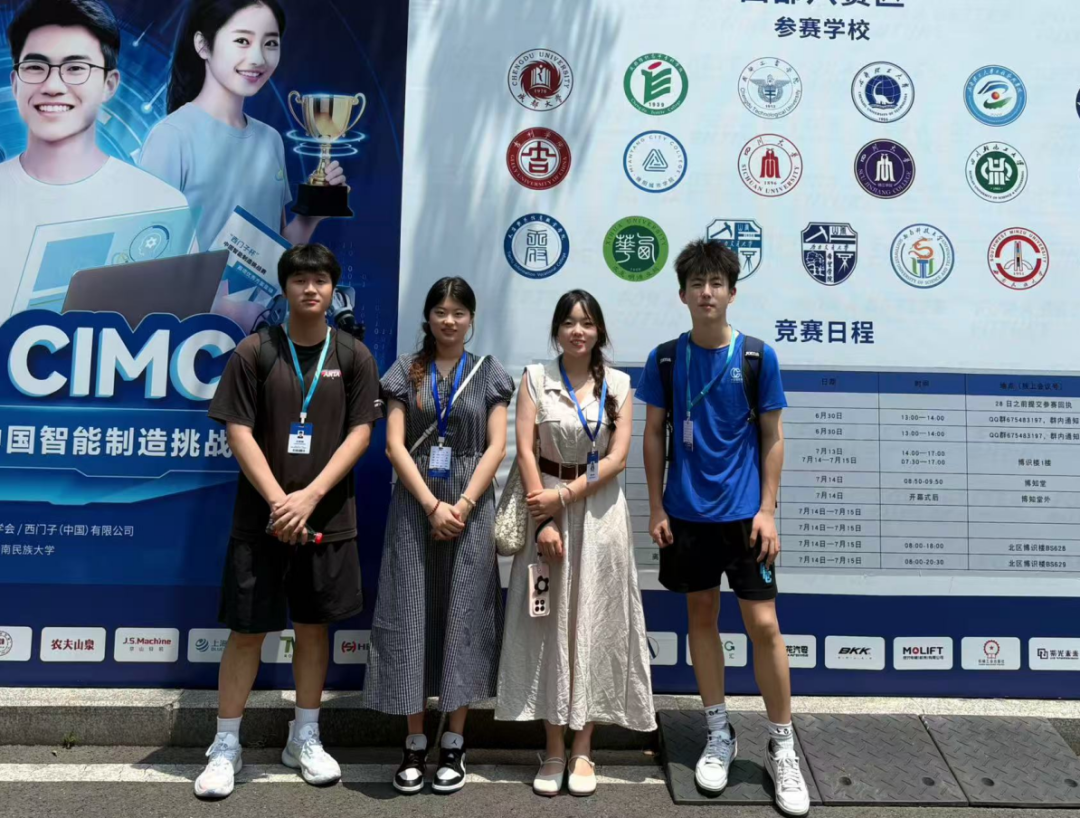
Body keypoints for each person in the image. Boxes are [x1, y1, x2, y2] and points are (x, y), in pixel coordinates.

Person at [198, 243, 383, 799]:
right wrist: (283, 501)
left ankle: (304, 736)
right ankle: (225, 745)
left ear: (333, 289)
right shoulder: (254, 351)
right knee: (246, 633)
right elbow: (238, 431)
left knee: (313, 628)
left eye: (320, 280)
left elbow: (361, 434)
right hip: (262, 519)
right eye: (300, 279)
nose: (310, 289)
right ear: (284, 288)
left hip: (326, 517)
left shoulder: (354, 356)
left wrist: (310, 497)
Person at [636, 239, 810, 817]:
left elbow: (773, 437)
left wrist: (768, 510)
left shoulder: (757, 356)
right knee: (701, 618)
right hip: (686, 515)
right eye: (697, 284)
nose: (706, 292)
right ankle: (719, 733)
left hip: (745, 518)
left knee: (764, 625)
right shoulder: (666, 359)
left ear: (732, 292)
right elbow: (653, 434)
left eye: (716, 283)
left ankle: (782, 745)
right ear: (682, 294)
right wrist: (657, 508)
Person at [496, 290, 655, 798]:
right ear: (557, 330)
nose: (577, 331)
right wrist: (544, 516)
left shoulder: (619, 384)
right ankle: (553, 748)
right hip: (543, 508)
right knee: (546, 626)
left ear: (599, 331)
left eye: (586, 323)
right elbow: (524, 450)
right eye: (568, 322)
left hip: (600, 516)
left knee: (593, 623)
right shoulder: (534, 378)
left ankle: (583, 747)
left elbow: (618, 458)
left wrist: (564, 496)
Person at [364, 277, 513, 795]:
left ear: (471, 319)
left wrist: (464, 505)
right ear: (428, 317)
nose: (450, 321)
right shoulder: (405, 370)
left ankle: (453, 740)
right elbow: (394, 445)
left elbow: (497, 447)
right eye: (441, 312)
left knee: (464, 618)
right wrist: (431, 505)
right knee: (410, 615)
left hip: (470, 509)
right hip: (414, 507)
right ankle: (413, 743)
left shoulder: (489, 371)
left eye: (459, 312)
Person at [0, 0, 191, 318]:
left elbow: (179, 330)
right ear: (15, 82)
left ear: (109, 84)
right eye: (35, 67)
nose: (53, 86)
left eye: (76, 68)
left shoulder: (160, 206)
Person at [139, 0, 346, 252]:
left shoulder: (270, 139)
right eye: (242, 41)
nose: (258, 58)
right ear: (203, 45)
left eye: (270, 43)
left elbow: (276, 253)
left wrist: (309, 217)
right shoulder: (172, 137)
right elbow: (146, 252)